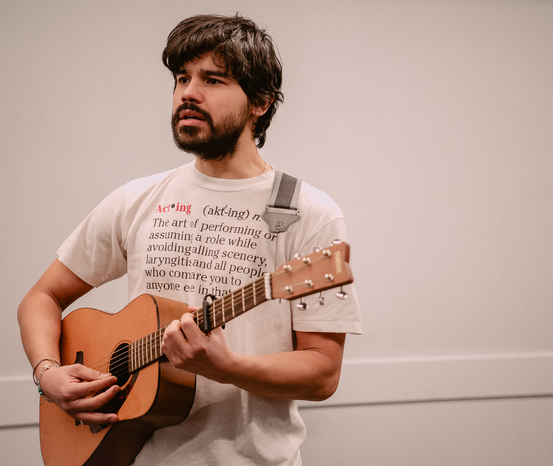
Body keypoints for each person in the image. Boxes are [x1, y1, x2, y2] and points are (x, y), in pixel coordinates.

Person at [18, 14, 361, 466]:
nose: (188, 93)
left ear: (259, 102)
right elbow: (41, 297)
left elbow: (322, 374)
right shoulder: (137, 198)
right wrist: (49, 374)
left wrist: (227, 367)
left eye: (212, 79)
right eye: (182, 78)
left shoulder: (307, 213)